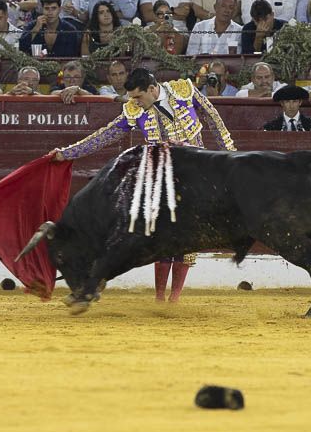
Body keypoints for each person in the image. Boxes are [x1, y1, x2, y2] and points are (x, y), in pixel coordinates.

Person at [51, 67, 236, 303]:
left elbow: (215, 121)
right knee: (161, 239)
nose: (135, 103)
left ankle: (174, 299)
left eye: (138, 97)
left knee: (188, 241)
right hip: (161, 180)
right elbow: (104, 136)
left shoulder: (184, 90)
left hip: (195, 176)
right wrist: (66, 153)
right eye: (132, 98)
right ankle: (160, 298)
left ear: (151, 89)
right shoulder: (133, 109)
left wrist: (231, 158)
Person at [18, 0, 83, 56]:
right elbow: (21, 47)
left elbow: (73, 56)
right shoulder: (32, 26)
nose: (50, 12)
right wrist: (36, 29)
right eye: (46, 8)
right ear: (42, 9)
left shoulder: (69, 29)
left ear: (59, 10)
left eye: (54, 8)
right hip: (36, 65)